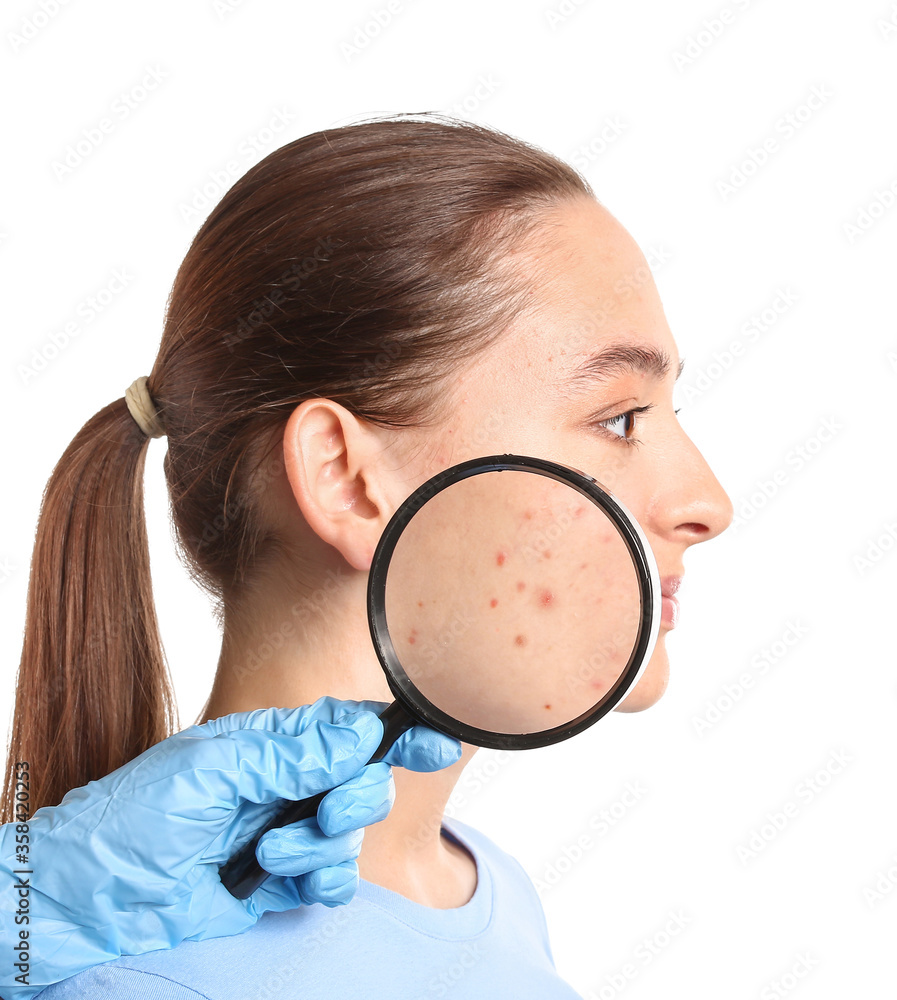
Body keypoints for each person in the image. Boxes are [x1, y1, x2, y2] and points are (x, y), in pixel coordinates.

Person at [3, 113, 732, 998]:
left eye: (667, 414)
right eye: (618, 419)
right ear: (344, 477)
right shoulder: (131, 981)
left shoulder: (484, 890)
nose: (707, 505)